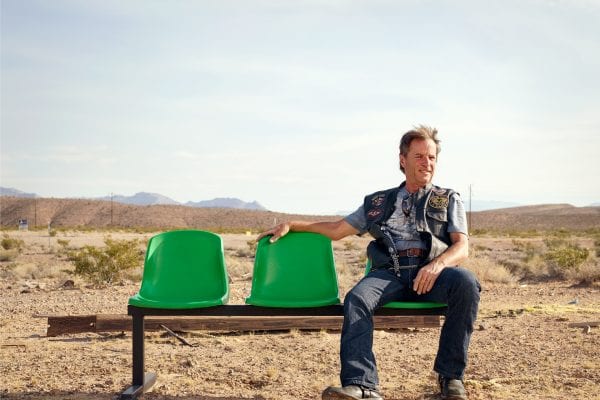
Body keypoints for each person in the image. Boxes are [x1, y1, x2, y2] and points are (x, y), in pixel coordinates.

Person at [258, 125, 480, 400]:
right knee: (357, 298)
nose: (427, 163)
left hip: (432, 274)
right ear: (403, 159)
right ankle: (361, 385)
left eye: (432, 157)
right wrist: (293, 224)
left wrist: (438, 265)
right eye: (420, 156)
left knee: (467, 283)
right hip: (391, 274)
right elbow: (338, 229)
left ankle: (451, 378)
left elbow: (462, 246)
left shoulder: (447, 199)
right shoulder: (378, 202)